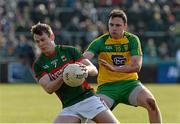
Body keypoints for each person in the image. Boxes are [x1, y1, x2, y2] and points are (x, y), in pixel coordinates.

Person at [83, 9, 162, 123]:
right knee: (91, 120)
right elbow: (84, 58)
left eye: (118, 25)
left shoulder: (132, 40)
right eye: (111, 25)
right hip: (107, 88)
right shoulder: (100, 42)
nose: (114, 28)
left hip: (130, 84)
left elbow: (136, 66)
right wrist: (77, 67)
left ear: (125, 26)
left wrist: (115, 68)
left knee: (151, 103)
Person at [31, 22, 119, 123]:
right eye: (37, 41)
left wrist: (86, 69)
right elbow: (49, 88)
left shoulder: (69, 51)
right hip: (70, 106)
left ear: (52, 37)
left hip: (89, 99)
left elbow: (93, 69)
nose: (40, 44)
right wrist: (63, 76)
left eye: (43, 39)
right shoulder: (39, 64)